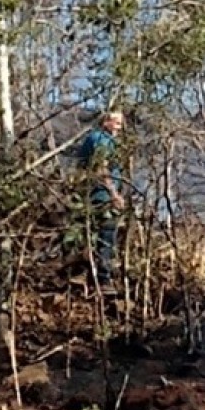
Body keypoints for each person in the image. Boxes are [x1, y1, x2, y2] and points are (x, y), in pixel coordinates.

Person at [77, 111, 126, 294]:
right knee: (106, 236)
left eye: (121, 124)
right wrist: (114, 195)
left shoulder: (106, 141)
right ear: (106, 122)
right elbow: (101, 168)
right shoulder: (100, 139)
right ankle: (103, 280)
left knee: (95, 236)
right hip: (100, 196)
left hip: (93, 195)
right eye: (116, 123)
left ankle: (90, 275)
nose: (119, 128)